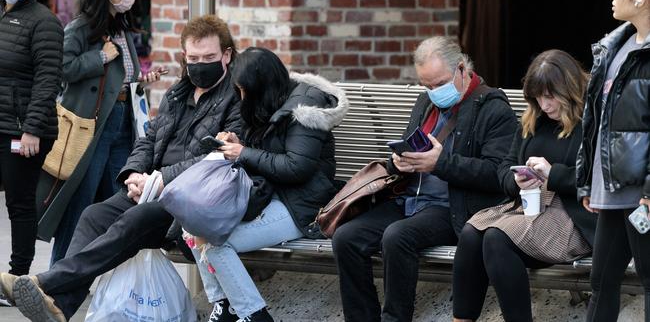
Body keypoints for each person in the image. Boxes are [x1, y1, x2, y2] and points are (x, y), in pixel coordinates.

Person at [0, 14, 241, 322]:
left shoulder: (235, 100)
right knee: (93, 215)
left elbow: (215, 157)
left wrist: (161, 179)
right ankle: (61, 305)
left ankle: (46, 283)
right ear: (184, 57)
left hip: (189, 202)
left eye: (209, 57)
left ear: (226, 55)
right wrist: (133, 174)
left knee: (134, 219)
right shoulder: (178, 94)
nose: (199, 64)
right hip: (150, 188)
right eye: (193, 58)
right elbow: (148, 139)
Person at [331, 36, 518, 322]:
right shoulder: (426, 103)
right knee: (346, 237)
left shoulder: (492, 108)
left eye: (439, 83)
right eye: (426, 85)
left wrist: (440, 164)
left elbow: (497, 174)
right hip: (409, 199)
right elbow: (410, 146)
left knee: (397, 236)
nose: (434, 91)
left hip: (454, 207)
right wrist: (400, 163)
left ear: (461, 69)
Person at [188, 47, 348, 322]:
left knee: (215, 242)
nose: (240, 98)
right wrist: (241, 145)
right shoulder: (273, 99)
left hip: (303, 206)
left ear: (259, 86)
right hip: (270, 194)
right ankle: (224, 306)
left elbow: (297, 168)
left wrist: (244, 154)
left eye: (242, 91)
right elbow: (271, 150)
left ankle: (254, 315)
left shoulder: (304, 111)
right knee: (192, 226)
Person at [452, 50, 596, 322]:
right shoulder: (534, 119)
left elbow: (597, 178)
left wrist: (553, 174)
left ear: (570, 90)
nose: (545, 104)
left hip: (572, 217)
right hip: (529, 208)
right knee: (472, 233)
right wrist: (515, 180)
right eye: (538, 97)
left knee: (496, 237)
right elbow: (504, 168)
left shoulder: (592, 122)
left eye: (551, 96)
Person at [40, 0, 164, 265]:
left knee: (119, 199)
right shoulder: (81, 27)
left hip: (123, 121)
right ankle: (59, 275)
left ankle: (109, 275)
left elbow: (119, 76)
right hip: (90, 126)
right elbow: (62, 68)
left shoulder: (121, 27)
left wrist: (142, 79)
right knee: (80, 201)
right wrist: (99, 56)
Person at [577, 0, 650, 320]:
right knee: (601, 281)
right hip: (612, 190)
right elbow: (596, 122)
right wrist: (587, 180)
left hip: (643, 195)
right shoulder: (615, 46)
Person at [0, 0, 63, 276]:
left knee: (19, 202)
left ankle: (17, 276)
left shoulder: (44, 22)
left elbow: (47, 79)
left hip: (23, 130)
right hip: (3, 122)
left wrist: (33, 130)